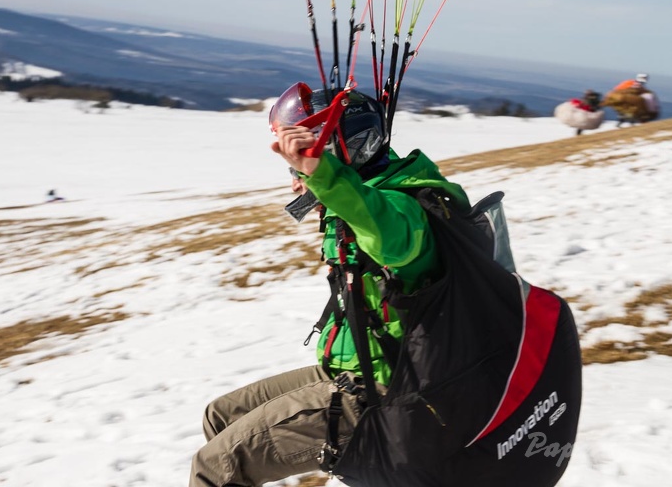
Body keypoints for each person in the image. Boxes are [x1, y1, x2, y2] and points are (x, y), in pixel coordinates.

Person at [188, 84, 469, 487]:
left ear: (344, 155)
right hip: (355, 366)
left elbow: (386, 233)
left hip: (387, 393)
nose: (294, 183)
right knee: (221, 416)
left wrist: (324, 177)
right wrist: (327, 182)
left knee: (215, 467)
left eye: (300, 168)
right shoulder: (373, 187)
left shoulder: (403, 208)